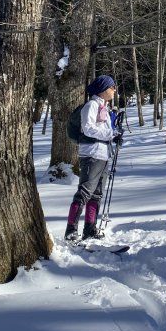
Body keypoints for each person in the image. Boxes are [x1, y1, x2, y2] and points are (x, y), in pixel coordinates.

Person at [64, 75, 123, 242]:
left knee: (96, 195)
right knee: (84, 192)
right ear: (104, 89)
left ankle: (89, 229)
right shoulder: (91, 106)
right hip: (91, 154)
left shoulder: (104, 108)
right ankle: (71, 230)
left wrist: (114, 136)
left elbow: (103, 132)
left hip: (103, 155)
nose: (114, 90)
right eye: (112, 87)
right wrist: (111, 134)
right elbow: (88, 128)